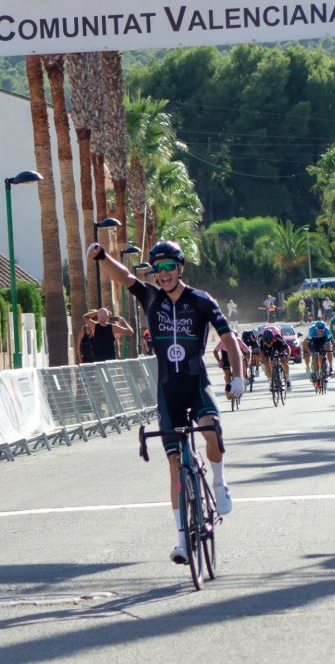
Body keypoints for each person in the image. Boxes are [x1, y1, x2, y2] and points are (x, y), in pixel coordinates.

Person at [87, 239, 240, 565]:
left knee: (211, 431)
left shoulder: (201, 301)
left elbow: (228, 339)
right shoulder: (152, 296)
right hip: (168, 391)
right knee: (174, 466)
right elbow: (126, 277)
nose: (164, 273)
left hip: (196, 382)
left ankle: (220, 482)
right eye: (158, 268)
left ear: (180, 268)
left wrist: (236, 376)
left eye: (170, 266)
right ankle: (182, 542)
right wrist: (102, 257)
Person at [213, 330, 251, 394]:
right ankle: (228, 386)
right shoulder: (223, 341)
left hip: (236, 353)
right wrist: (219, 361)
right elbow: (215, 351)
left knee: (243, 364)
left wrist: (247, 360)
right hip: (226, 354)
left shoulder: (239, 341)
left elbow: (248, 352)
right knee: (227, 374)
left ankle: (243, 379)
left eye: (234, 340)